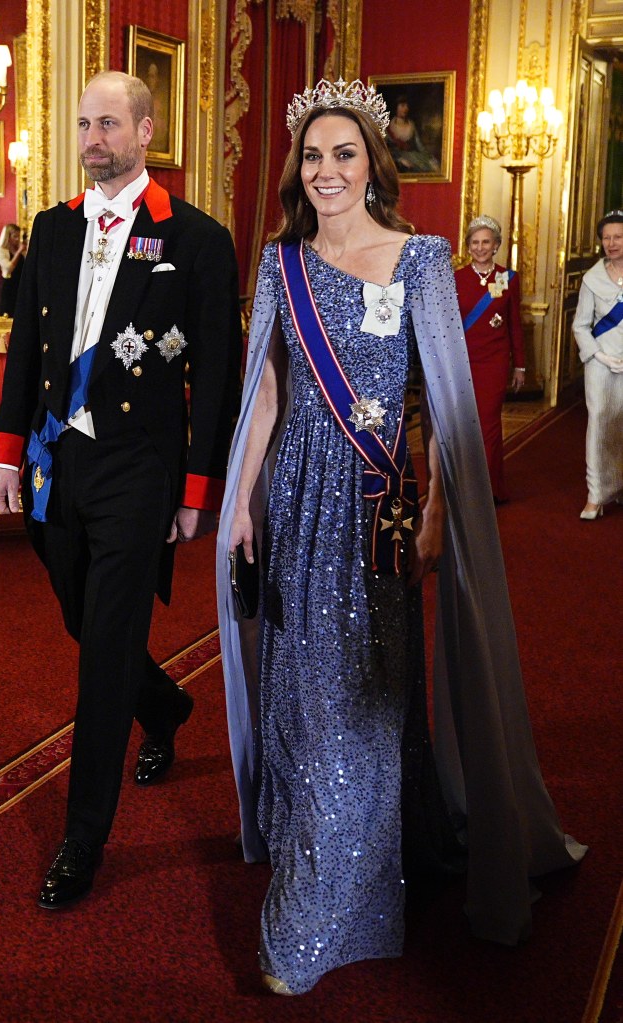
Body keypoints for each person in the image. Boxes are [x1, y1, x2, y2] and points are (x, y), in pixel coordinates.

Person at [216, 78, 585, 996]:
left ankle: (343, 894)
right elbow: (264, 393)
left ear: (373, 164)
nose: (327, 170)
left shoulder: (420, 258)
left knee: (369, 690)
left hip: (374, 503)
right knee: (304, 686)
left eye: (344, 154)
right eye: (312, 156)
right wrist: (238, 502)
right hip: (295, 495)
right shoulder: (278, 262)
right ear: (297, 171)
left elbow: (445, 408)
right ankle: (323, 866)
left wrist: (432, 511)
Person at [0, 71, 241, 910]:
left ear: (145, 131)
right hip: (60, 461)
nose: (93, 138)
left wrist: (197, 486)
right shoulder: (53, 228)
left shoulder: (196, 238)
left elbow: (216, 374)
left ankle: (81, 837)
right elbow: (28, 341)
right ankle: (165, 705)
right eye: (84, 123)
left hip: (139, 468)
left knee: (102, 652)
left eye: (109, 123)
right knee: (78, 614)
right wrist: (5, 451)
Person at [455, 215, 525, 502]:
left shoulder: (508, 278)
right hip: (463, 360)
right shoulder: (456, 278)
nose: (480, 248)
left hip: (494, 362)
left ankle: (489, 490)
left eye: (486, 242)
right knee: (461, 425)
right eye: (475, 242)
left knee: (488, 424)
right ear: (468, 245)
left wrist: (519, 364)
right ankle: (464, 488)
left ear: (496, 245)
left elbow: (515, 324)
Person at [572, 209, 623, 518]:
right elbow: (580, 325)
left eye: (618, 237)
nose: (612, 243)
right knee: (600, 422)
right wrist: (599, 355)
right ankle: (595, 495)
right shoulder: (592, 279)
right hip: (601, 363)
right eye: (606, 238)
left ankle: (616, 485)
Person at [386, 95, 439, 174]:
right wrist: (399, 159)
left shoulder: (411, 125)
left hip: (413, 156)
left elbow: (420, 146)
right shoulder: (389, 127)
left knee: (431, 166)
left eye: (407, 106)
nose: (406, 109)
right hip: (395, 159)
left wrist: (430, 158)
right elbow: (385, 149)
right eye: (403, 106)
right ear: (396, 107)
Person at [0, 224, 28, 317]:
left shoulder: (20, 249)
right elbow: (8, 268)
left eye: (18, 236)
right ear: (8, 237)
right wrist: (18, 252)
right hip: (10, 284)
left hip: (21, 284)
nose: (17, 239)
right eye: (15, 236)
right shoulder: (1, 250)